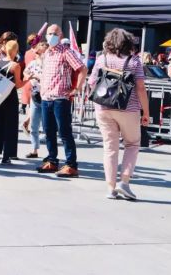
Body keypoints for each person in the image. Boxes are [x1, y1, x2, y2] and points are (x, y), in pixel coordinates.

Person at [88, 28, 148, 200]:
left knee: (110, 147)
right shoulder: (134, 62)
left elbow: (92, 82)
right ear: (128, 42)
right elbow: (141, 88)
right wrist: (146, 112)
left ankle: (110, 188)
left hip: (103, 107)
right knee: (132, 144)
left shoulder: (101, 59)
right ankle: (125, 182)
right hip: (128, 108)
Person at [36, 24, 87, 177]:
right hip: (46, 97)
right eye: (49, 33)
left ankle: (71, 164)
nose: (51, 36)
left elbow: (82, 68)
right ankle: (52, 160)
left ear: (60, 35)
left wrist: (77, 88)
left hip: (60, 98)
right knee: (48, 131)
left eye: (54, 33)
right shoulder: (47, 53)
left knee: (64, 132)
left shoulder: (66, 52)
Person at [22, 42, 48, 158]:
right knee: (34, 125)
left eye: (40, 53)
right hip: (35, 94)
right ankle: (34, 149)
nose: (37, 54)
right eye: (37, 52)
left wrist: (39, 78)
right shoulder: (33, 63)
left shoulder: (49, 64)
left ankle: (51, 152)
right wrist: (29, 76)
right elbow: (25, 72)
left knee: (48, 125)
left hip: (47, 96)